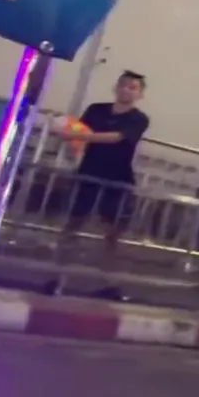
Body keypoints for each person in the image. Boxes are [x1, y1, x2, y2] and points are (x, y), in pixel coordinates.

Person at [56, 71, 150, 259]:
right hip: (89, 168)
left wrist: (80, 136)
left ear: (140, 94)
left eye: (132, 88)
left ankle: (107, 263)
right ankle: (61, 255)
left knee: (113, 224)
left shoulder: (139, 118)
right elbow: (79, 131)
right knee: (76, 216)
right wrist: (71, 143)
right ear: (116, 87)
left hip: (118, 173)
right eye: (123, 85)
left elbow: (117, 137)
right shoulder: (96, 109)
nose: (126, 90)